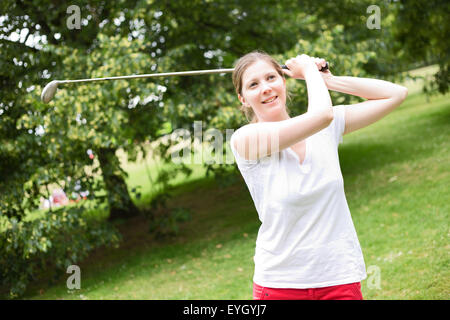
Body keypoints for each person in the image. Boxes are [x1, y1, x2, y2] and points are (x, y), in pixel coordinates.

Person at [229, 51, 408, 300]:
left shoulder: (327, 128)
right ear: (243, 99)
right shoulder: (245, 140)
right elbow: (322, 116)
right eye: (253, 84)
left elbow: (396, 93)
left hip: (338, 276)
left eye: (271, 77)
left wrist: (328, 80)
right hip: (280, 284)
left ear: (284, 80)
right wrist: (309, 70)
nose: (266, 88)